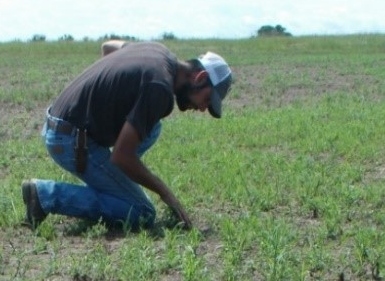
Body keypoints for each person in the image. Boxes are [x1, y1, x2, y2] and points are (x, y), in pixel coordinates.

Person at [22, 40, 232, 231]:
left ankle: (109, 180)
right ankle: (44, 195)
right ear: (200, 77)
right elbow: (122, 156)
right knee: (142, 212)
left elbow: (108, 47)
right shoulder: (160, 88)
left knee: (153, 127)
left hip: (59, 123)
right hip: (70, 141)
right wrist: (165, 192)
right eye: (207, 99)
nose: (204, 108)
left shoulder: (158, 51)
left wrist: (104, 96)